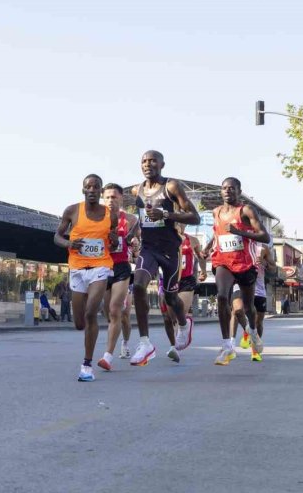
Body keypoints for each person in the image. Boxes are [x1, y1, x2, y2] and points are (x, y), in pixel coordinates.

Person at [128, 151, 200, 365]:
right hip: (148, 248)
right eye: (143, 161)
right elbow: (142, 219)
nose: (147, 164)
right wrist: (131, 234)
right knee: (139, 286)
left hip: (170, 249)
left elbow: (194, 217)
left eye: (152, 161)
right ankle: (144, 343)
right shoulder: (136, 190)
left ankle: (184, 324)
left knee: (170, 298)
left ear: (162, 164)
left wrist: (167, 215)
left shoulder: (171, 187)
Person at [54, 174, 118, 382]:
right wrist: (69, 244)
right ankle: (85, 331)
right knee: (80, 323)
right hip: (77, 269)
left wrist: (115, 241)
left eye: (96, 187)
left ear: (100, 191)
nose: (92, 190)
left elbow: (114, 241)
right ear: (83, 190)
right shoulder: (72, 211)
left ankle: (87, 365)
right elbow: (57, 236)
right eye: (88, 187)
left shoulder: (110, 214)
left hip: (100, 266)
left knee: (92, 312)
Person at [202, 178, 270, 365]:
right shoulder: (216, 212)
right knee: (222, 297)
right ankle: (227, 346)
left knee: (248, 307)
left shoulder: (246, 211)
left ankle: (253, 333)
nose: (227, 191)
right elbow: (218, 234)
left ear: (239, 191)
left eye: (232, 189)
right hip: (223, 261)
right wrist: (208, 247)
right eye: (224, 188)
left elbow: (265, 236)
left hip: (245, 264)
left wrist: (240, 232)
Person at [96, 183, 140, 371]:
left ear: (121, 198)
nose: (110, 201)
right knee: (109, 313)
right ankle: (117, 339)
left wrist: (135, 247)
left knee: (116, 311)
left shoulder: (130, 219)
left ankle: (108, 356)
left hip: (121, 268)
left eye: (114, 197)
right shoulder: (96, 219)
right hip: (103, 268)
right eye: (107, 197)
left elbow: (139, 245)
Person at [230, 238, 275, 361]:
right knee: (237, 311)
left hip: (258, 289)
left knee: (258, 322)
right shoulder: (236, 244)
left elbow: (273, 268)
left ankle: (255, 351)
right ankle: (233, 344)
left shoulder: (263, 248)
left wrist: (265, 264)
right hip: (239, 284)